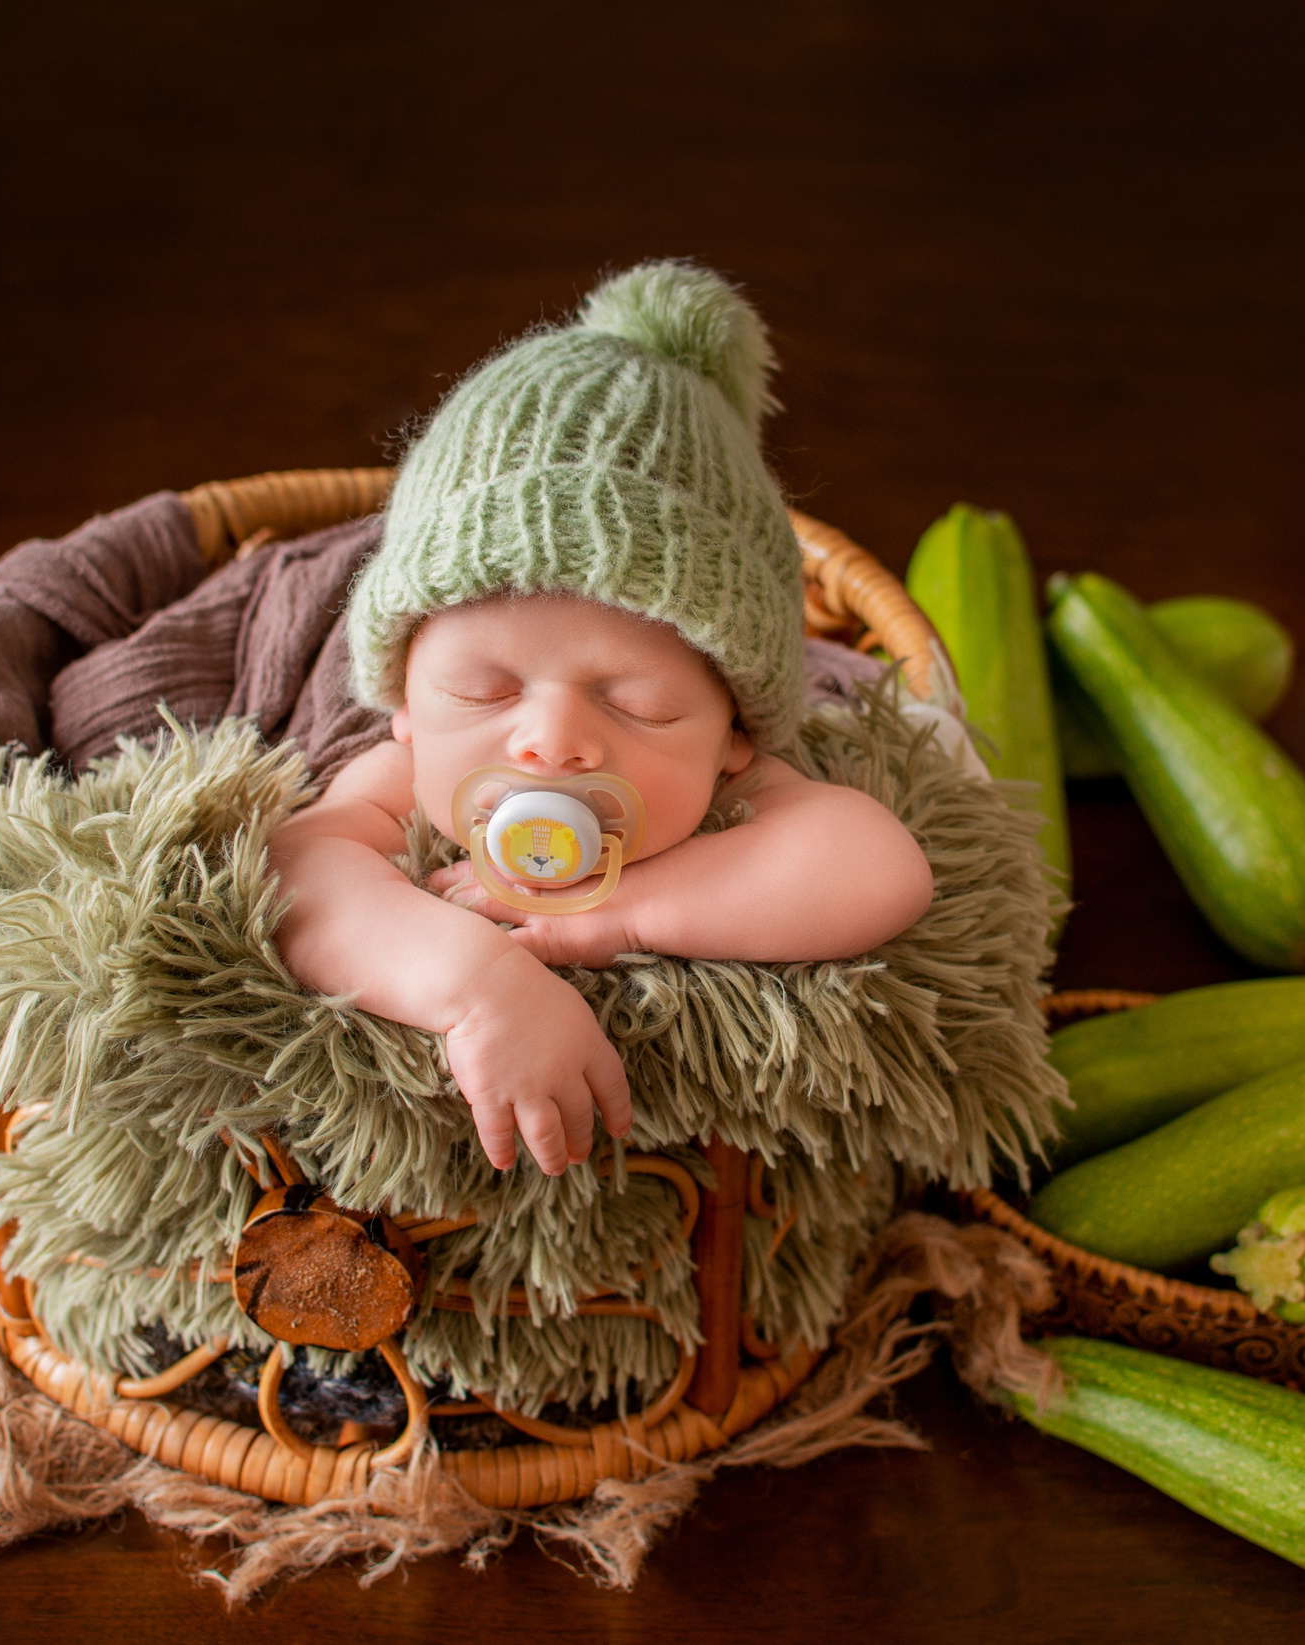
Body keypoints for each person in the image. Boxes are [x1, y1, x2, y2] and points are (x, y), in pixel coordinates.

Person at [268, 263, 935, 1179]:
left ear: (733, 730)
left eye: (636, 702)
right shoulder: (401, 780)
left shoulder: (732, 787)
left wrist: (625, 910)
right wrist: (477, 986)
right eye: (483, 689)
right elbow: (299, 873)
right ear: (406, 704)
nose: (549, 741)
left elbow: (878, 867)